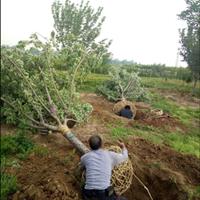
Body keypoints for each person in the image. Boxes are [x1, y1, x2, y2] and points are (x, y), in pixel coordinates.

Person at [81, 135, 128, 200]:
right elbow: (124, 157)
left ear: (90, 146)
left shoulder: (84, 157)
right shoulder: (110, 155)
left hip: (88, 193)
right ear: (101, 144)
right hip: (103, 194)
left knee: (84, 186)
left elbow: (82, 165)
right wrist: (123, 147)